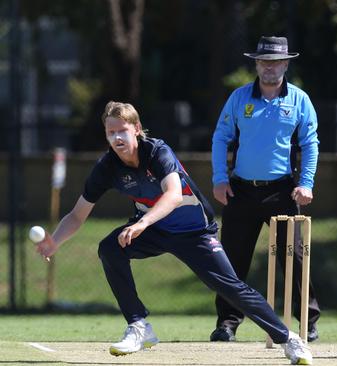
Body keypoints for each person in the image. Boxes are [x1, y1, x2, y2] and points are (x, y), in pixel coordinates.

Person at [34, 101, 313, 365]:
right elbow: (77, 214)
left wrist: (142, 223)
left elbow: (174, 196)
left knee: (231, 288)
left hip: (194, 233)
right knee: (110, 248)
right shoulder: (106, 167)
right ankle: (139, 325)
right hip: (154, 229)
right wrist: (54, 241)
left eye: (122, 131)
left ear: (137, 129)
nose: (117, 138)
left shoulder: (157, 152)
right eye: (111, 132)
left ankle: (288, 339)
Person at [210, 36, 320, 343]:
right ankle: (227, 322)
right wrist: (220, 178)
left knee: (295, 257)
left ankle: (307, 322)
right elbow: (221, 138)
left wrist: (306, 183)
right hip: (241, 190)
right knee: (231, 259)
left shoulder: (299, 100)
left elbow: (310, 144)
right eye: (263, 62)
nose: (269, 68)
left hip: (282, 191)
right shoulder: (240, 98)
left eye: (275, 62)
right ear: (256, 64)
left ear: (286, 64)